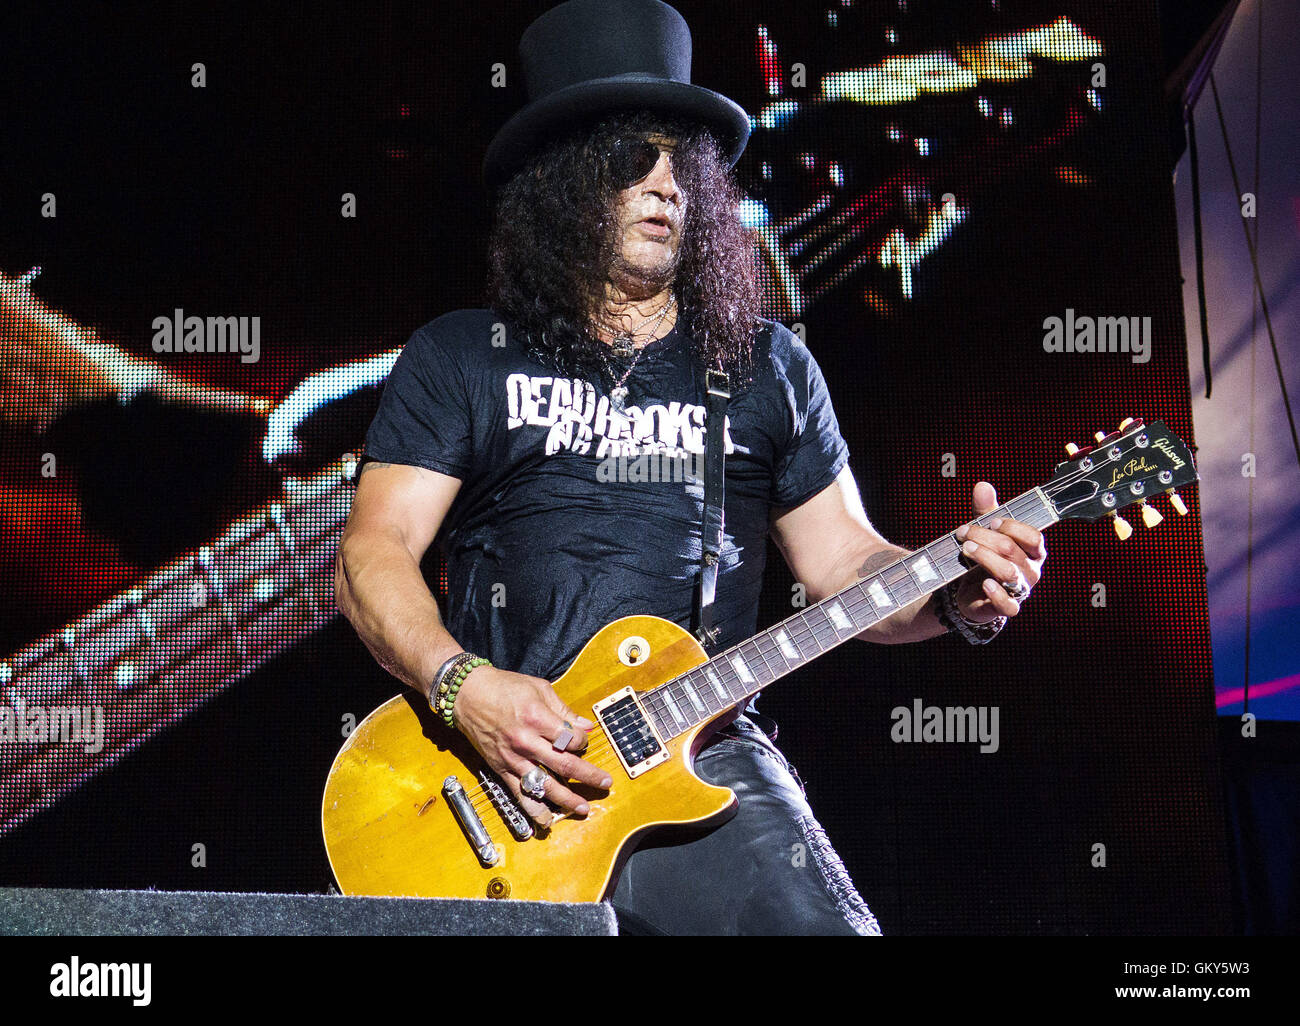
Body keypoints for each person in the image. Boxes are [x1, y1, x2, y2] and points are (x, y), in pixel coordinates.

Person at [334, 0, 1046, 935]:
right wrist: (463, 686)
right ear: (565, 179)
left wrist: (953, 588)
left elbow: (843, 565)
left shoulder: (766, 365)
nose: (669, 184)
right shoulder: (466, 353)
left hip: (700, 755)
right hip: (484, 783)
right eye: (637, 157)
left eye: (687, 162)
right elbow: (371, 554)